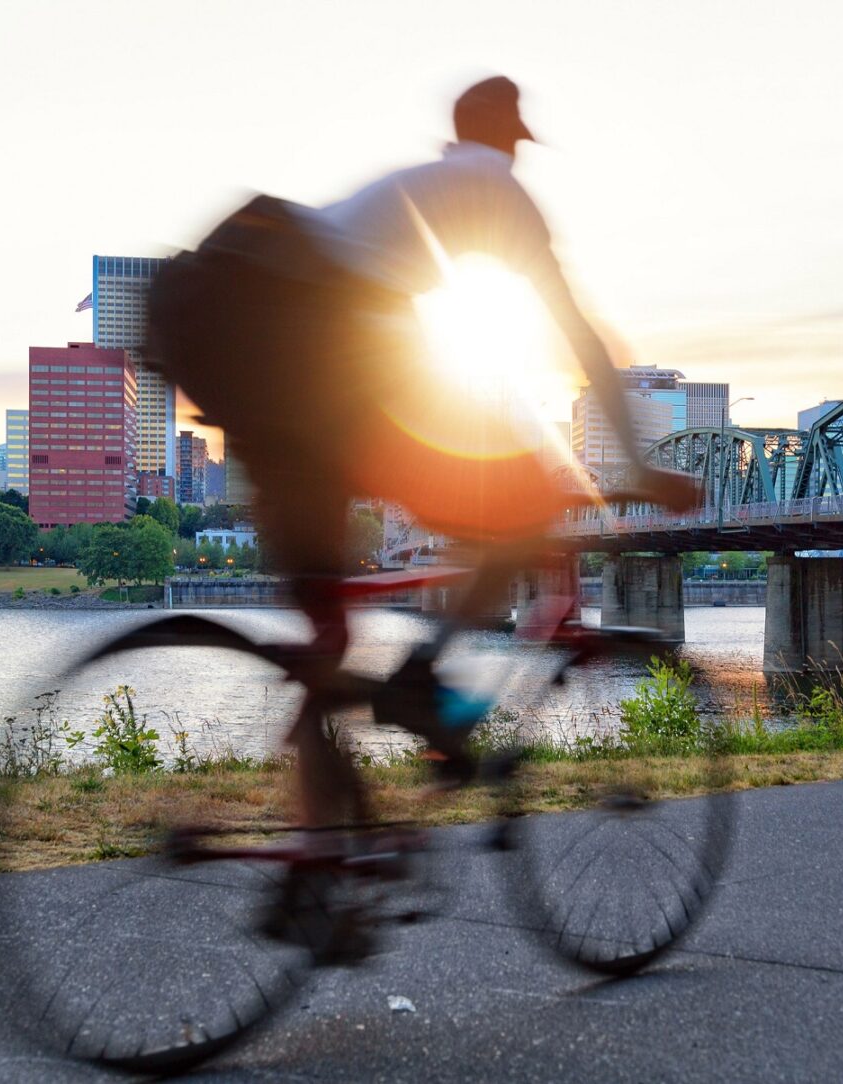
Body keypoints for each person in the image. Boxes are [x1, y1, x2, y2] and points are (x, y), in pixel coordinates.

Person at [147, 76, 696, 835]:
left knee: (324, 635)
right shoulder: (496, 190)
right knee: (526, 509)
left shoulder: (412, 189)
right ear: (510, 138)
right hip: (319, 354)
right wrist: (635, 467)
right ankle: (418, 684)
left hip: (231, 348)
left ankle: (320, 861)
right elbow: (580, 340)